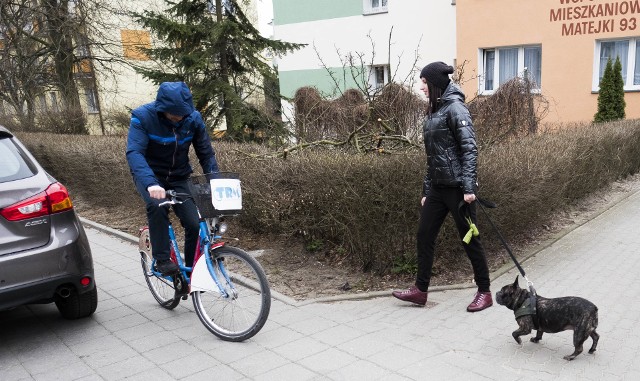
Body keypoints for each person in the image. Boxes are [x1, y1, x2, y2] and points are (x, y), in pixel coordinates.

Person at [391, 61, 492, 312]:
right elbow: (432, 156)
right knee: (424, 235)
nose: (421, 87)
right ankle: (420, 291)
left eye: (424, 82)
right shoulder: (435, 110)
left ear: (434, 83)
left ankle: (485, 291)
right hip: (437, 188)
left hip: (458, 189)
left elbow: (469, 149)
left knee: (470, 240)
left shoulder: (456, 109)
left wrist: (469, 187)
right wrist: (427, 191)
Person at [126, 81, 219, 275]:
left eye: (182, 114)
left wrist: (216, 180)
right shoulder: (142, 117)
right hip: (151, 177)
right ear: (162, 108)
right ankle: (161, 259)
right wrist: (151, 184)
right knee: (157, 205)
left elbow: (206, 153)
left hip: (179, 176)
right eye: (173, 114)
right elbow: (135, 153)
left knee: (194, 223)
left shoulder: (192, 119)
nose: (178, 118)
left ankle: (192, 271)